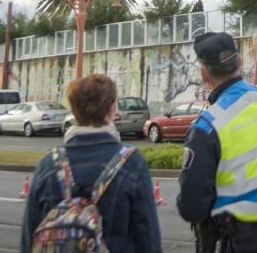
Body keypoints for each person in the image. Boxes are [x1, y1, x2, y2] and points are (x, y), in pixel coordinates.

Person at [177, 20, 257, 253]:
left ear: (203, 74)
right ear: (240, 61)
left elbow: (192, 207)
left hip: (234, 241)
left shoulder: (206, 128)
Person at [19, 74, 162, 253]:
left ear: (75, 111)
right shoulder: (132, 163)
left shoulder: (48, 164)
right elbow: (148, 239)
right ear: (112, 109)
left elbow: (28, 238)